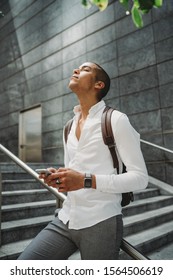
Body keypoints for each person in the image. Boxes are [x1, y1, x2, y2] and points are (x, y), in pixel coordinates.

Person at [18, 62, 148, 260]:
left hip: (101, 222)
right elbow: (74, 170)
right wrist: (60, 177)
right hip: (66, 217)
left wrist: (86, 180)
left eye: (85, 69)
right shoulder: (69, 126)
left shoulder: (116, 120)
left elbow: (140, 178)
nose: (76, 70)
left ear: (99, 85)